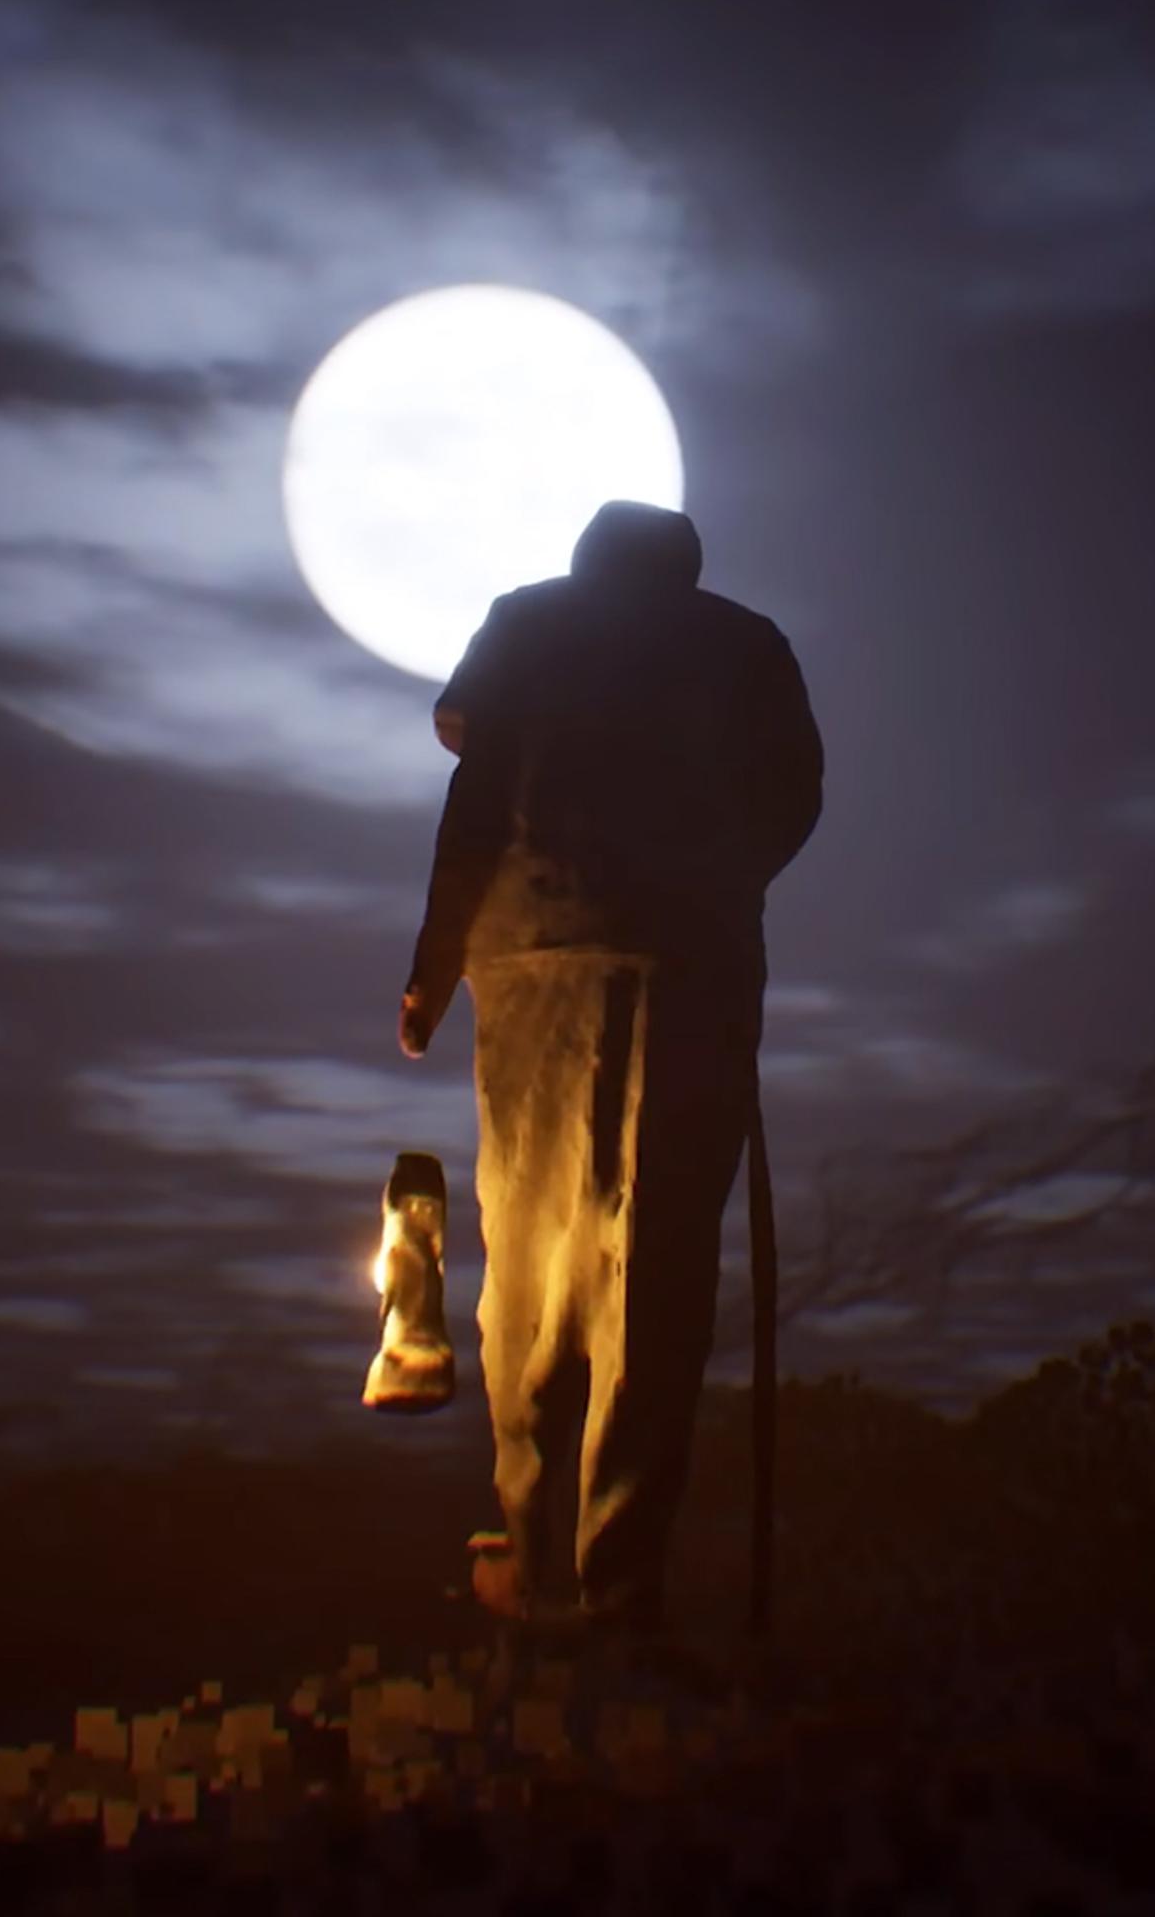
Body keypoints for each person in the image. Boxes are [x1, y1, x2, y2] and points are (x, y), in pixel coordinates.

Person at [398, 499, 825, 1640]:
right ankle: (605, 1584)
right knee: (653, 1270)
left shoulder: (529, 625)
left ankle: (553, 1572)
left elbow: (473, 791)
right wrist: (716, 885)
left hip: (541, 957)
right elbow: (794, 800)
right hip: (680, 964)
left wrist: (433, 965)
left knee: (537, 1270)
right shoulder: (745, 642)